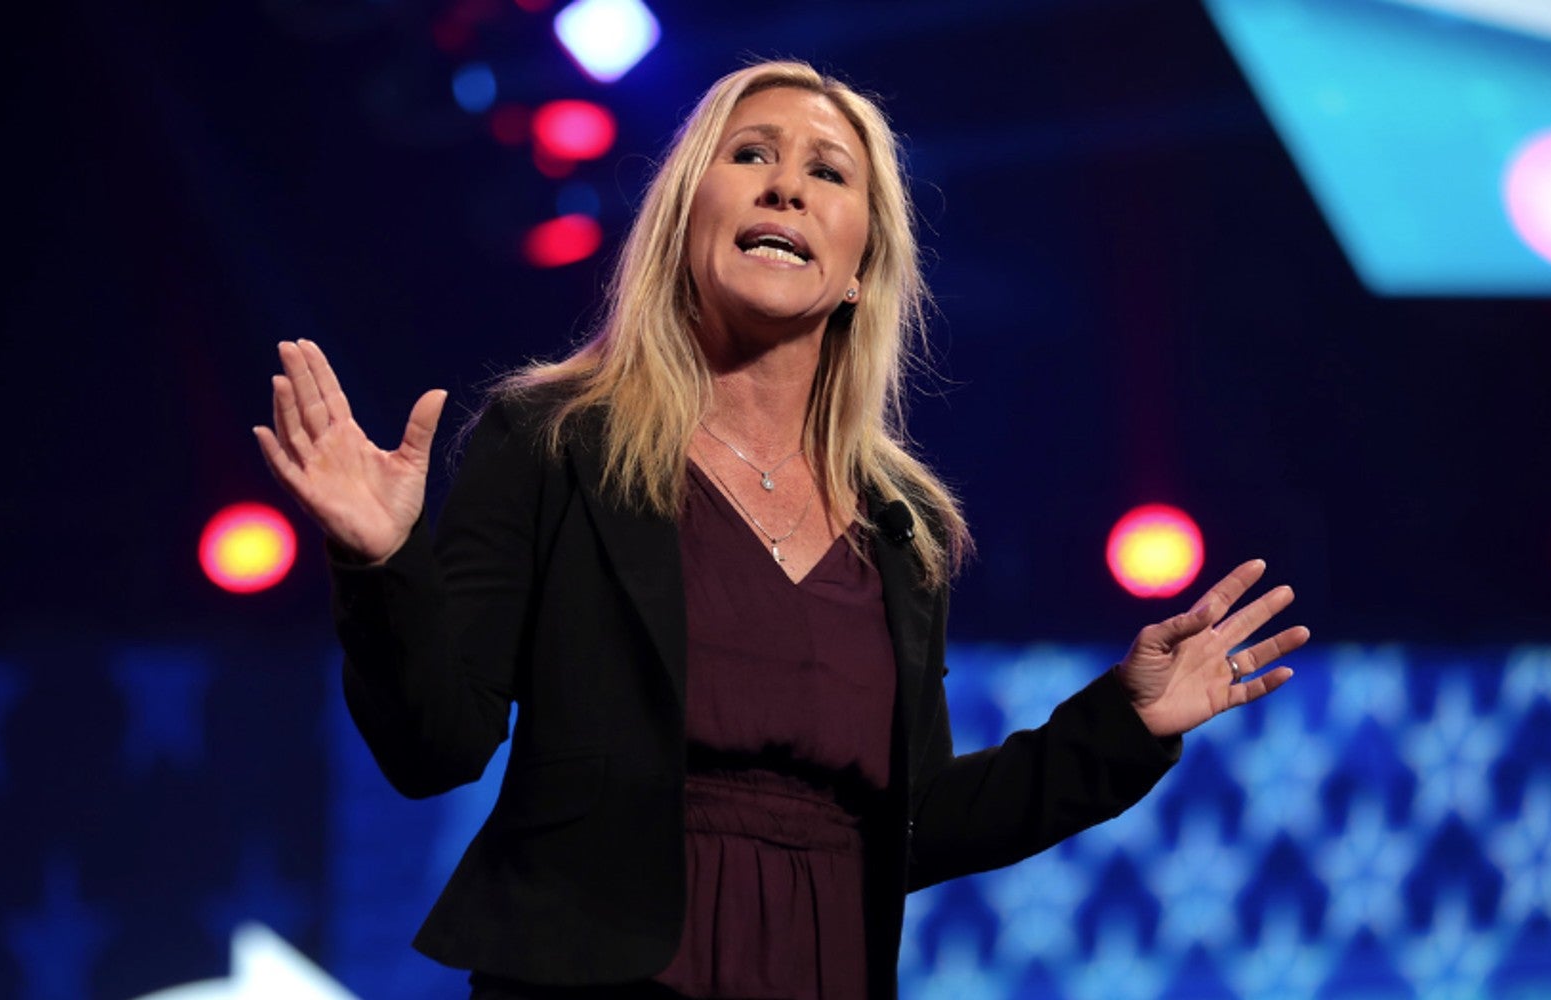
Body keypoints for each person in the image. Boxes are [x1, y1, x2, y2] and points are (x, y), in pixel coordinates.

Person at [254, 60, 1307, 1000]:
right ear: (683, 221)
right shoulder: (554, 439)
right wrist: (380, 559)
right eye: (748, 153)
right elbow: (435, 743)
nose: (784, 184)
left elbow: (913, 820)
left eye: (827, 171)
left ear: (857, 269)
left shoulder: (903, 526)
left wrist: (1120, 725)